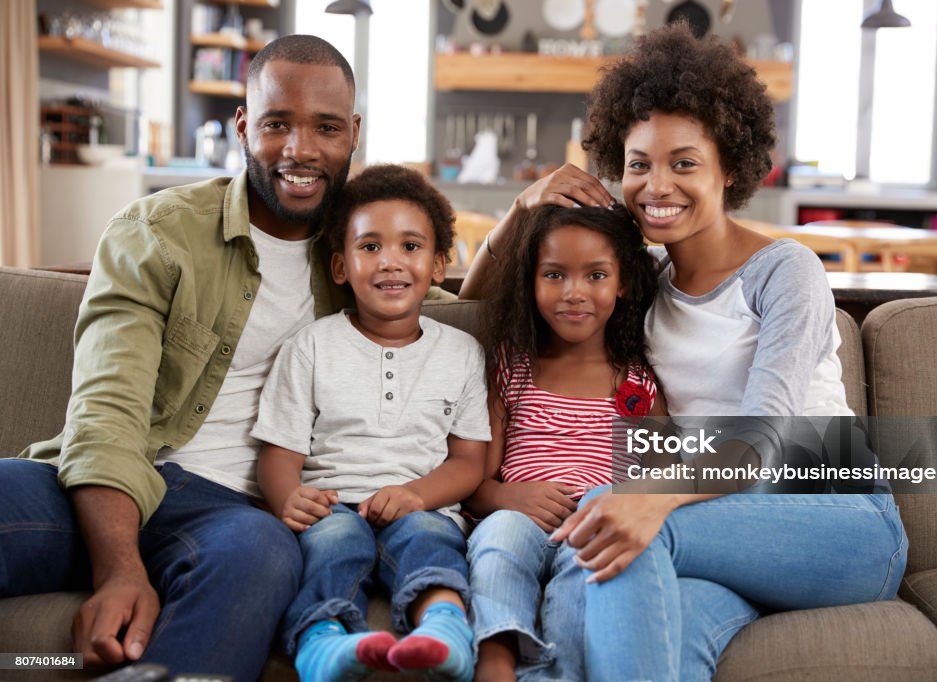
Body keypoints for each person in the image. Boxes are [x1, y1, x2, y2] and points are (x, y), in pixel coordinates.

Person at [462, 23, 907, 681]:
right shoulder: (647, 283)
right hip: (724, 533)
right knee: (648, 632)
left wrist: (648, 497)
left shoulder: (786, 271)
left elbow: (760, 437)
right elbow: (477, 305)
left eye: (685, 163)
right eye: (639, 164)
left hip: (840, 518)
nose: (656, 185)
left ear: (732, 168)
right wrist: (523, 208)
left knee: (610, 519)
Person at [0, 36, 435, 680]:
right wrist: (119, 568)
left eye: (326, 127)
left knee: (261, 550)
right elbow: (107, 412)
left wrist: (520, 221)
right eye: (276, 123)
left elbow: (462, 303)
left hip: (233, 519)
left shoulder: (359, 256)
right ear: (242, 127)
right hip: (105, 481)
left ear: (354, 135)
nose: (301, 150)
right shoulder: (158, 232)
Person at [252, 164, 490, 682]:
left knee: (430, 538)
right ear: (340, 266)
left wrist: (416, 495)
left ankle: (445, 629)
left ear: (438, 264)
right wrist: (287, 498)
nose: (391, 263)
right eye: (370, 247)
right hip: (333, 504)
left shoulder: (462, 353)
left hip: (422, 504)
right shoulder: (311, 346)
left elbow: (470, 461)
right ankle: (322, 640)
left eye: (410, 246)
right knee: (334, 543)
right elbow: (279, 454)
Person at [462, 205, 663, 682]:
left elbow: (660, 480)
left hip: (592, 525)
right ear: (531, 283)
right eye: (554, 274)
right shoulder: (512, 367)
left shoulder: (637, 382)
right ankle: (495, 656)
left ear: (623, 283)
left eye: (595, 275)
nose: (574, 293)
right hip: (516, 516)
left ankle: (560, 674)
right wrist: (510, 496)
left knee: (590, 564)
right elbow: (475, 483)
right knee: (500, 540)